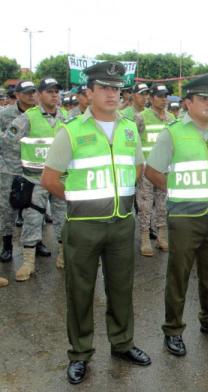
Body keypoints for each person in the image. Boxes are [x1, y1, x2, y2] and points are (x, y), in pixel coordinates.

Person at [40, 61, 151, 385]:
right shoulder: (71, 131)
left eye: (116, 89)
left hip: (120, 224)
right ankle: (80, 353)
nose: (112, 94)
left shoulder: (129, 128)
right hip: (84, 225)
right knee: (80, 291)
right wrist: (79, 199)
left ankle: (123, 343)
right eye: (104, 88)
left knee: (121, 288)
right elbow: (49, 179)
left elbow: (139, 168)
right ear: (88, 93)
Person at [144, 74, 208, 356]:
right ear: (187, 103)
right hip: (185, 217)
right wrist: (178, 191)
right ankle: (173, 329)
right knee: (179, 276)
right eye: (204, 99)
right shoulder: (172, 132)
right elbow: (152, 171)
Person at [4, 77, 67, 279]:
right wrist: (18, 172)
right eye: (49, 91)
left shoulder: (65, 117)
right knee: (32, 219)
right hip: (34, 180)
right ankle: (29, 262)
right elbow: (9, 144)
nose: (54, 95)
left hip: (60, 180)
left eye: (57, 91)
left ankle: (64, 256)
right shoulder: (28, 118)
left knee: (64, 217)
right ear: (39, 95)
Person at [135, 83, 175, 256]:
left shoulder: (172, 118)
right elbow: (133, 144)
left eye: (166, 96)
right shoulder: (141, 117)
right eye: (160, 96)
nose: (164, 99)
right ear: (151, 98)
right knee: (145, 206)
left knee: (163, 205)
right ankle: (145, 238)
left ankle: (162, 237)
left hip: (165, 170)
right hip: (146, 170)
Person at [0, 80, 37, 263]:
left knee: (34, 207)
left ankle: (36, 243)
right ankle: (7, 245)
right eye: (27, 92)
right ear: (18, 95)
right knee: (7, 207)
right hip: (9, 168)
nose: (31, 95)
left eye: (33, 92)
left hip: (33, 168)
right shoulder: (6, 114)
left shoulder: (38, 114)